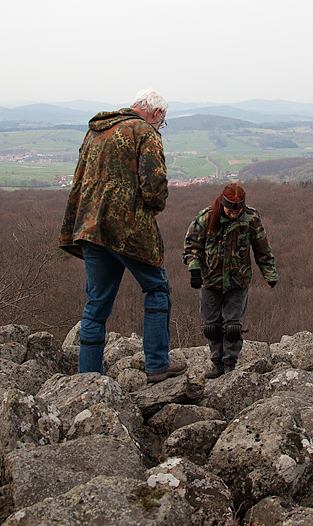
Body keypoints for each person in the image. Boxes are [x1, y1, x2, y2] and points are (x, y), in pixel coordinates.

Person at [59, 88, 187, 383]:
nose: (160, 125)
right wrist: (152, 209)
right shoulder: (144, 132)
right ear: (156, 113)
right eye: (162, 120)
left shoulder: (97, 130)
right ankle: (157, 364)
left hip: (90, 227)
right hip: (127, 228)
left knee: (96, 304)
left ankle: (87, 378)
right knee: (157, 289)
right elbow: (154, 186)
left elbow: (80, 178)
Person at [183, 183, 279, 378]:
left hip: (238, 280)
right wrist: (194, 271)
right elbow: (191, 247)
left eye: (238, 211)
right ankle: (216, 363)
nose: (234, 214)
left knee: (233, 326)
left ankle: (229, 364)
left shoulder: (251, 218)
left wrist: (270, 274)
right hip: (210, 279)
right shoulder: (206, 217)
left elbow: (262, 248)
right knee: (211, 326)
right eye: (230, 211)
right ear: (223, 204)